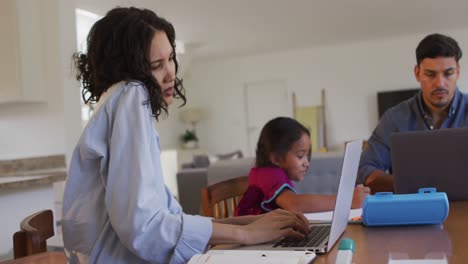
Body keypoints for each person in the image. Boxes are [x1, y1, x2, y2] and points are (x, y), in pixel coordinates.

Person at [61, 7, 310, 264]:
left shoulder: (116, 101)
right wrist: (244, 233)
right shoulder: (131, 93)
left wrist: (251, 222)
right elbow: (143, 227)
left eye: (170, 59)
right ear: (130, 70)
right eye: (157, 65)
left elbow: (166, 217)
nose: (171, 74)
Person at [358, 33, 468, 193]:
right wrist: (408, 187)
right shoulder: (394, 119)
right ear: (417, 73)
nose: (440, 83)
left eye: (448, 73)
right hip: (413, 210)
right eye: (431, 74)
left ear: (458, 72)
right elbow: (364, 169)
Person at [235, 117, 370, 216]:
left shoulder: (265, 173)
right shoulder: (268, 174)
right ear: (276, 158)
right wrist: (345, 201)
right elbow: (295, 204)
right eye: (300, 156)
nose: (307, 162)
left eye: (307, 155)